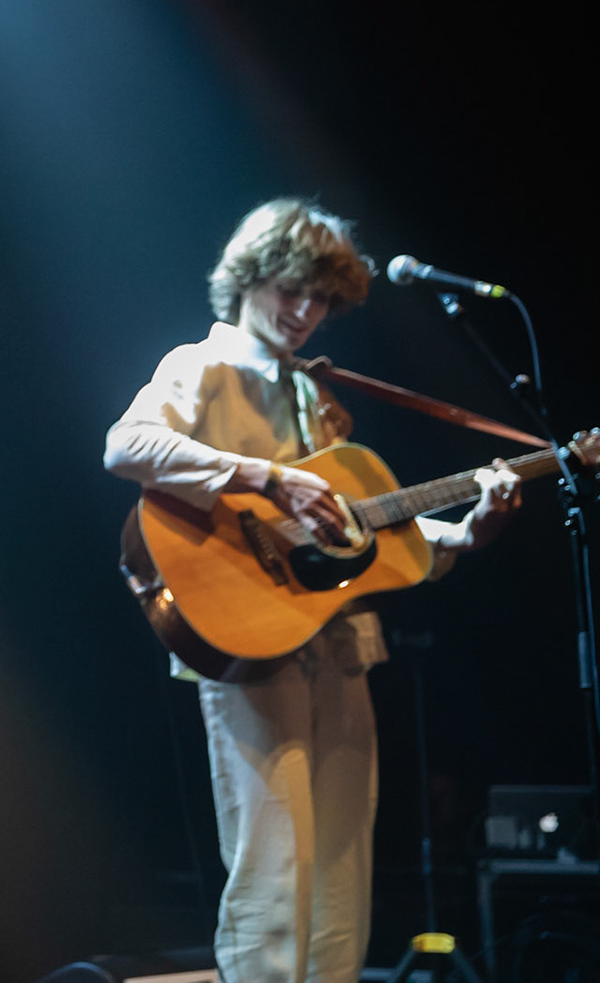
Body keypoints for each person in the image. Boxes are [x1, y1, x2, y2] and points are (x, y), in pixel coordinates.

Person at [104, 199, 521, 983]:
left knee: (340, 869)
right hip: (245, 642)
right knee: (273, 868)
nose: (304, 311)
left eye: (321, 297)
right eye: (291, 289)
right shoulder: (202, 365)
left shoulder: (319, 398)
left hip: (336, 641)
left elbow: (363, 540)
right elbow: (126, 446)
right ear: (250, 279)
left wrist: (470, 531)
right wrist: (266, 477)